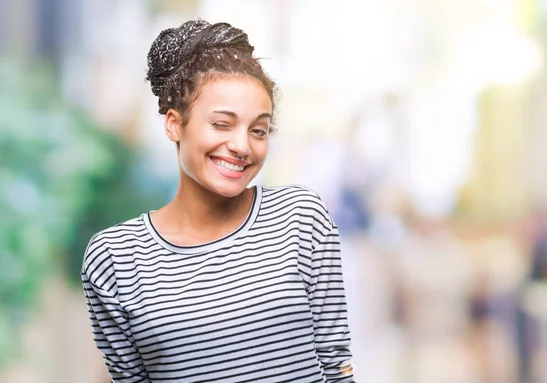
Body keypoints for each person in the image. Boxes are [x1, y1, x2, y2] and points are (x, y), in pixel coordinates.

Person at [81, 18, 354, 383]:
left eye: (258, 130)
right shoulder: (115, 258)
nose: (242, 146)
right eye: (222, 124)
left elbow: (337, 364)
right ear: (174, 124)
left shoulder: (300, 218)